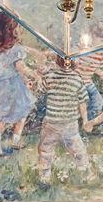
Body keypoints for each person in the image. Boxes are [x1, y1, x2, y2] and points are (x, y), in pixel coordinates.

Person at [36, 54, 97, 183]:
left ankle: (44, 176)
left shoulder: (50, 76)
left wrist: (41, 75)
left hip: (52, 122)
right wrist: (85, 120)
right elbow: (83, 101)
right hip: (70, 122)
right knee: (77, 148)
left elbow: (41, 90)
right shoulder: (77, 78)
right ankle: (85, 171)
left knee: (46, 149)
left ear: (57, 60)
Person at [0, 11, 35, 154]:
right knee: (22, 112)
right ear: (13, 30)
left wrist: (25, 79)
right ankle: (15, 140)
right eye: (19, 25)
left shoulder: (0, 48)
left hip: (0, 84)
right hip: (11, 84)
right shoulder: (16, 49)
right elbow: (19, 67)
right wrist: (33, 74)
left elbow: (10, 68)